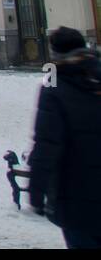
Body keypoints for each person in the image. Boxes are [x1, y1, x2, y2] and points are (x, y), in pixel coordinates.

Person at [28, 27, 101, 248]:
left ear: (55, 53)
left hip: (75, 194)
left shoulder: (53, 86)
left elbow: (46, 144)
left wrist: (36, 191)